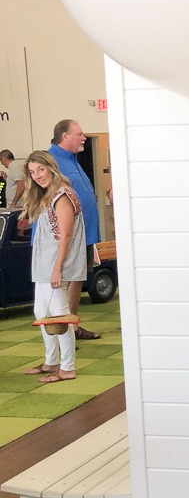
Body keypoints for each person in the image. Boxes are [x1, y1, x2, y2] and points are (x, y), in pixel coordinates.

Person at [21, 151, 87, 383]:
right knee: (43, 313)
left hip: (54, 266)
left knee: (60, 317)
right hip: (44, 266)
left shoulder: (62, 195)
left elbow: (66, 235)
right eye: (32, 172)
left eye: (40, 169)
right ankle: (52, 361)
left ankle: (67, 368)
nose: (37, 175)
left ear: (50, 167)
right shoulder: (50, 195)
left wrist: (57, 268)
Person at [47, 119, 102, 340]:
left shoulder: (73, 160)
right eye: (79, 134)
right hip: (66, 236)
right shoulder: (50, 162)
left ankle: (72, 327)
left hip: (85, 233)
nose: (84, 137)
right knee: (63, 281)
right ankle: (62, 331)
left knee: (77, 278)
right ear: (64, 136)